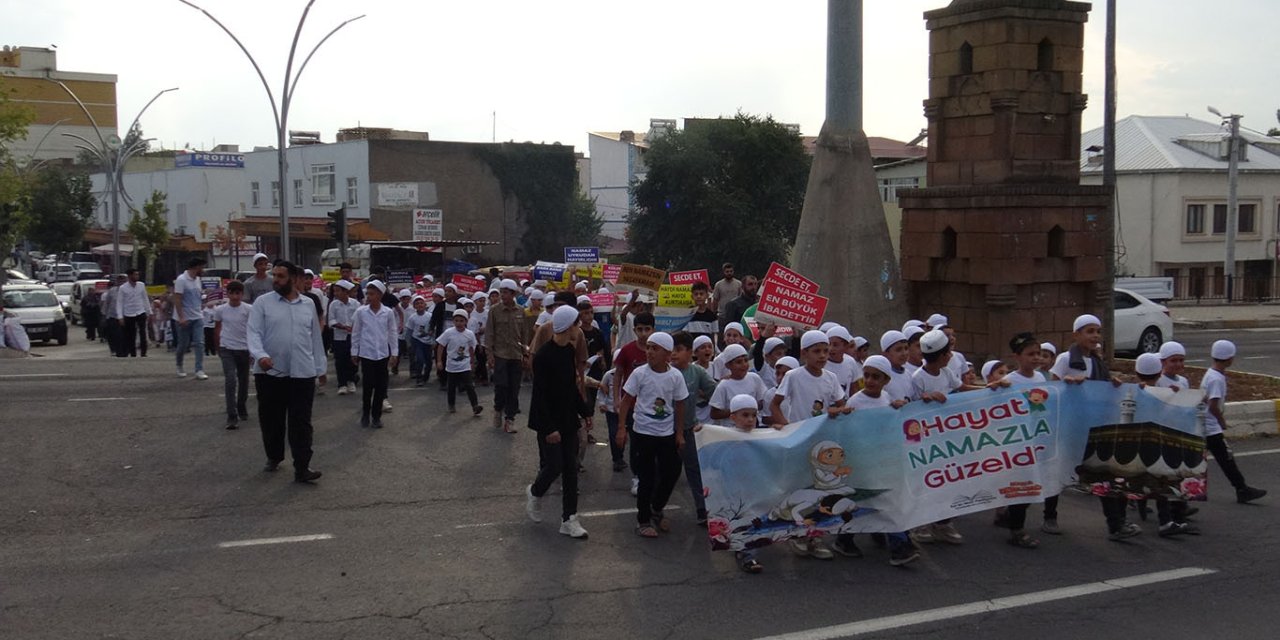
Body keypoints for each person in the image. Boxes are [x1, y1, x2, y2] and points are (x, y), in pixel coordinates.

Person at [1052, 314, 1137, 540]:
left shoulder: (1098, 361)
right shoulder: (1065, 360)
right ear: (1076, 334)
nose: (1095, 336)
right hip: (1073, 428)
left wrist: (1114, 383)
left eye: (1097, 331)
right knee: (1058, 472)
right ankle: (1048, 516)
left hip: (1097, 428)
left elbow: (1102, 388)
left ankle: (1117, 524)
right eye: (1089, 331)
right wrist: (1067, 382)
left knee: (1107, 474)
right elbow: (1050, 389)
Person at [246, 260, 326, 483]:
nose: (276, 280)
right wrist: (260, 355)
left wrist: (320, 368)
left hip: (302, 371)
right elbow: (253, 333)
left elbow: (315, 339)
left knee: (301, 422)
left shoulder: (307, 304)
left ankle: (302, 467)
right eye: (275, 276)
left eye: (281, 276)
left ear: (293, 279)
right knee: (272, 419)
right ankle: (274, 455)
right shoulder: (262, 303)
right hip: (269, 372)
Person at [840, 354, 921, 566]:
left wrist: (896, 409)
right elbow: (849, 431)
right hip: (863, 462)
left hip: (882, 461)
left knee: (887, 501)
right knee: (862, 504)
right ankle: (846, 538)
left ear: (886, 380)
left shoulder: (886, 399)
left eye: (876, 376)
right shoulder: (856, 401)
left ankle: (899, 545)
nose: (870, 380)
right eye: (866, 375)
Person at [525, 305, 590, 539]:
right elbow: (540, 394)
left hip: (567, 417)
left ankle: (569, 519)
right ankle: (535, 492)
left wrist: (585, 411)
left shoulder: (568, 352)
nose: (578, 327)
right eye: (576, 323)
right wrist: (549, 428)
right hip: (547, 420)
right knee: (554, 466)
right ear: (567, 326)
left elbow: (570, 386)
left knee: (571, 469)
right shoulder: (543, 356)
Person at [617, 331, 688, 538]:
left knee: (672, 471)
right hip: (643, 432)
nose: (649, 352)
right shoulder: (640, 374)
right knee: (646, 478)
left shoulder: (675, 376)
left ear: (667, 353)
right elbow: (626, 400)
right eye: (648, 347)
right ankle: (643, 520)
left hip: (666, 433)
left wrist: (680, 433)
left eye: (654, 348)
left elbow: (680, 404)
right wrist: (622, 428)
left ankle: (657, 507)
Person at [999, 332, 1060, 535]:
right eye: (1030, 354)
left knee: (1035, 484)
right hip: (1018, 442)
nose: (1036, 358)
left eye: (1038, 353)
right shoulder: (1010, 381)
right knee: (1023, 486)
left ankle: (1010, 516)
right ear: (1017, 357)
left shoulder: (1040, 377)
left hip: (1037, 439)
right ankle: (1017, 530)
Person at [1200, 340, 1267, 504]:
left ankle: (1241, 488)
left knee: (1223, 459)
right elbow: (1213, 404)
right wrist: (1221, 421)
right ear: (1229, 358)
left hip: (1204, 424)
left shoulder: (1211, 373)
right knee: (1226, 459)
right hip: (1210, 427)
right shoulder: (1216, 379)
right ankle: (1242, 489)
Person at [671, 330, 717, 526]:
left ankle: (702, 508)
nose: (674, 354)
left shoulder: (696, 372)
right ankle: (654, 509)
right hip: (664, 431)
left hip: (689, 429)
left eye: (679, 350)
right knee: (665, 471)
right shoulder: (666, 371)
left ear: (690, 353)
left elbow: (715, 392)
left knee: (695, 470)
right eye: (672, 350)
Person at [614, 311, 657, 496]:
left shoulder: (660, 350)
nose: (644, 333)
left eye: (647, 329)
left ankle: (652, 475)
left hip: (654, 405)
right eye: (640, 329)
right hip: (631, 405)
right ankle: (637, 476)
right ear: (634, 330)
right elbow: (618, 374)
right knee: (636, 443)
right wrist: (616, 398)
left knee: (654, 443)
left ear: (653, 329)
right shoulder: (627, 350)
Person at [351, 280, 398, 429]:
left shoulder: (388, 312)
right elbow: (356, 333)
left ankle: (376, 416)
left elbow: (392, 333)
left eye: (372, 294)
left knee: (381, 386)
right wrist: (354, 351)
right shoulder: (361, 312)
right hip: (367, 354)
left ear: (380, 294)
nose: (369, 297)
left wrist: (394, 353)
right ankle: (365, 413)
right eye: (367, 294)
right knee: (368, 385)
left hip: (382, 354)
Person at [486, 279, 530, 434]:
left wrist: (525, 353)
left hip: (516, 355)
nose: (502, 295)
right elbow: (490, 333)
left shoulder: (521, 311)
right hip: (500, 355)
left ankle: (510, 419)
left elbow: (525, 334)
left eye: (505, 292)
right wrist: (490, 354)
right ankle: (498, 409)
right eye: (501, 292)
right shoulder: (494, 310)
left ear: (513, 294)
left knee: (514, 388)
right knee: (501, 386)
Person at [214, 280, 253, 430]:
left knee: (243, 381)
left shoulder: (249, 309)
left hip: (244, 348)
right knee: (230, 380)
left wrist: (252, 349)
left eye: (238, 293)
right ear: (227, 294)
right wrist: (218, 347)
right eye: (232, 293)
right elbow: (217, 329)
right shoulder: (220, 310)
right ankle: (231, 415)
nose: (235, 296)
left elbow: (253, 330)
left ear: (242, 294)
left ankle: (241, 405)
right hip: (227, 348)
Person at [437, 309, 483, 416]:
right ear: (453, 321)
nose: (459, 323)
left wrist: (472, 361)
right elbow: (441, 346)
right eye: (456, 321)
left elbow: (471, 348)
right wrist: (439, 360)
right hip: (452, 365)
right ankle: (451, 404)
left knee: (469, 386)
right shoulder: (449, 332)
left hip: (464, 364)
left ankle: (475, 406)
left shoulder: (469, 334)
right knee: (451, 386)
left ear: (466, 321)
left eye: (461, 321)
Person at [709, 344, 767, 426]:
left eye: (746, 360)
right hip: (731, 431)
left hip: (752, 428)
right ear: (728, 365)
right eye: (739, 362)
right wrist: (737, 411)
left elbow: (762, 402)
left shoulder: (755, 378)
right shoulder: (723, 386)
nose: (744, 365)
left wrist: (750, 408)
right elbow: (714, 414)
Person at [172, 258, 208, 380]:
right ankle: (179, 365)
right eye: (202, 267)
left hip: (197, 316)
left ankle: (199, 369)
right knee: (183, 344)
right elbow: (177, 299)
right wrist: (181, 317)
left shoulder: (197, 280)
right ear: (196, 267)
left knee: (199, 343)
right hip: (184, 318)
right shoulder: (181, 280)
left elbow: (197, 296)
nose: (203, 270)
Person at [328, 280, 360, 395]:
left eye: (338, 291)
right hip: (339, 337)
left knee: (353, 359)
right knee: (340, 360)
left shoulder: (355, 304)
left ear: (345, 291)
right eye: (334, 291)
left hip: (353, 336)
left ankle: (351, 380)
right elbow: (331, 320)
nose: (335, 293)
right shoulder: (333, 304)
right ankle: (342, 384)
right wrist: (342, 326)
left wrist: (353, 327)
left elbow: (359, 318)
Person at [115, 268, 151, 357]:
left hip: (140, 311)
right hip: (129, 313)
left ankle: (143, 352)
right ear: (130, 276)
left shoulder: (141, 285)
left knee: (143, 332)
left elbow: (145, 298)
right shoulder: (123, 288)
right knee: (131, 334)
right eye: (135, 275)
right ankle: (133, 353)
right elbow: (120, 302)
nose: (137, 276)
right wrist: (120, 316)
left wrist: (149, 311)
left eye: (137, 275)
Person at [405, 294, 435, 387]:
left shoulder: (430, 316)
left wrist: (434, 341)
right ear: (414, 306)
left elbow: (433, 329)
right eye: (417, 304)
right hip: (417, 341)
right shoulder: (412, 318)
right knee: (420, 360)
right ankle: (419, 377)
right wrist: (409, 343)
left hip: (428, 342)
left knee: (429, 362)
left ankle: (425, 376)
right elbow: (409, 331)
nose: (419, 305)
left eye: (421, 303)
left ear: (425, 304)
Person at [711, 263, 742, 329]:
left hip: (735, 315)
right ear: (724, 272)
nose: (729, 273)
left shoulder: (739, 284)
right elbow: (715, 300)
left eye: (731, 271)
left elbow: (741, 298)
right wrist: (714, 313)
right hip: (722, 315)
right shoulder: (718, 285)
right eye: (727, 272)